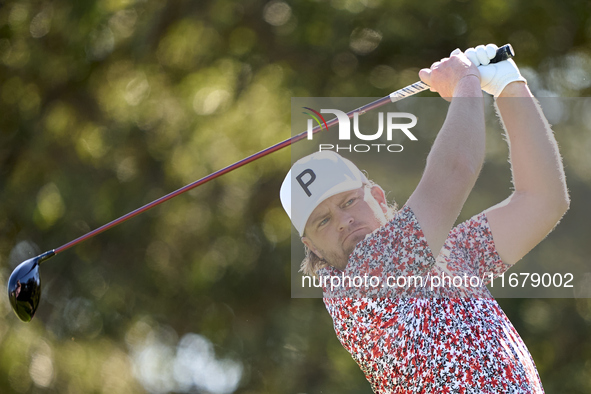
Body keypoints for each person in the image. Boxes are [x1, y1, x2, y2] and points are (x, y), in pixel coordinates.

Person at [280, 44, 569, 393]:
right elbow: (455, 169)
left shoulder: (449, 255)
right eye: (322, 221)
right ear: (311, 246)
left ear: (377, 197)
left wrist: (508, 83)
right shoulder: (358, 286)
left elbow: (542, 201)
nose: (342, 221)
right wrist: (465, 80)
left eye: (349, 201)